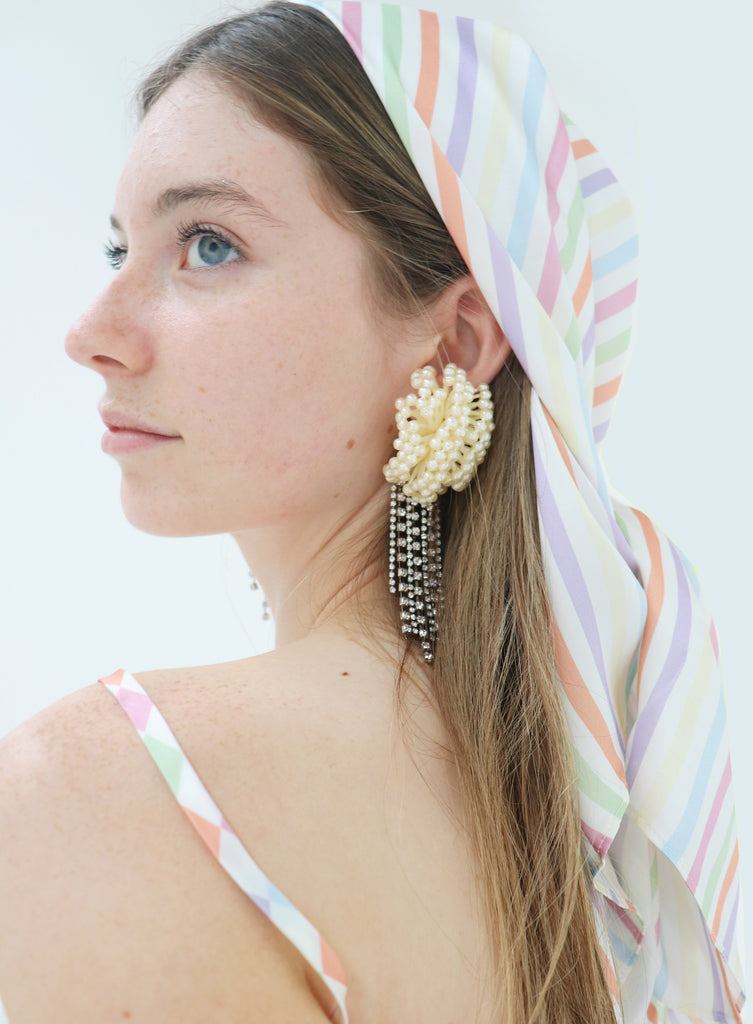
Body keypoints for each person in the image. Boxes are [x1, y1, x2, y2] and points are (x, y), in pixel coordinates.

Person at [0, 2, 744, 1022]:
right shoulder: (589, 865)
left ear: (457, 340)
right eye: (117, 249)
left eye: (208, 245)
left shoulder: (99, 788)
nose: (92, 333)